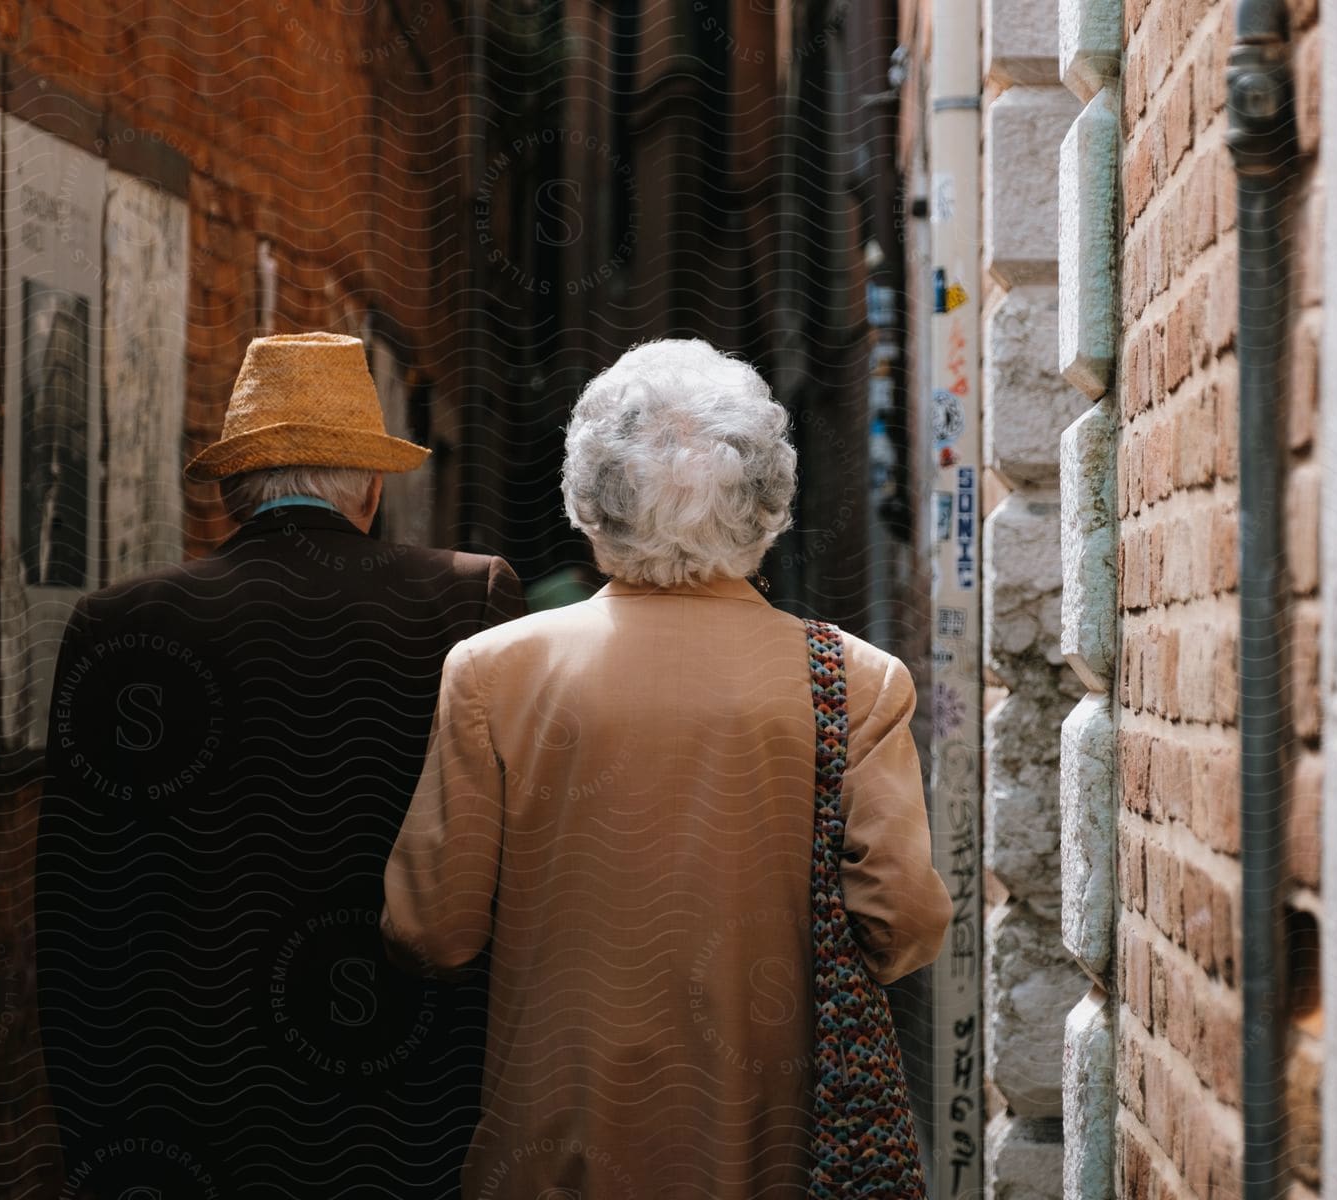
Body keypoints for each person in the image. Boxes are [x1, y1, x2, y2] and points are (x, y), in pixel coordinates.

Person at [383, 337, 952, 1199]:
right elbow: (902, 923)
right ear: (767, 505)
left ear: (591, 504)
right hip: (779, 1155)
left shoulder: (492, 671)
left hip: (553, 1152)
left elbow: (436, 930)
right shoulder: (858, 682)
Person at [35, 331, 525, 1198]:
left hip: (185, 1108)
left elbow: (81, 926)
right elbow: (504, 880)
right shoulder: (467, 600)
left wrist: (94, 1145)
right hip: (407, 1108)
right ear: (371, 485)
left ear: (230, 490)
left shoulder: (119, 622)